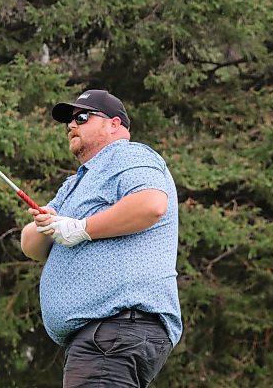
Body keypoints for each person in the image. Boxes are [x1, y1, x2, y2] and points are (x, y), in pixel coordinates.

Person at [20, 90, 182, 387]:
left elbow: (151, 204)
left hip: (115, 329)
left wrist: (80, 228)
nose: (72, 125)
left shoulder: (127, 154)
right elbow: (31, 245)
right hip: (104, 336)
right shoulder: (75, 182)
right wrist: (47, 225)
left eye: (82, 117)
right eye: (69, 120)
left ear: (114, 124)